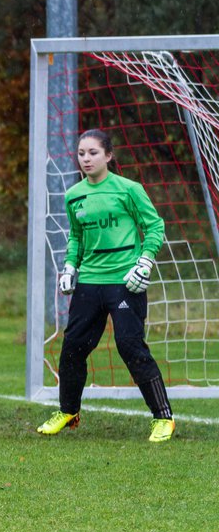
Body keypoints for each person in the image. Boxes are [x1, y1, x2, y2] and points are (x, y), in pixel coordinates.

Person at [38, 128, 176, 442]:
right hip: (89, 282)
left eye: (93, 153)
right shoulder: (74, 195)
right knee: (73, 348)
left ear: (109, 156)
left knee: (130, 346)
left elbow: (154, 225)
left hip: (125, 282)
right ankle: (68, 412)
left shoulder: (129, 189)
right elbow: (76, 236)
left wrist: (145, 260)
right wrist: (70, 265)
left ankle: (163, 418)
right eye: (81, 153)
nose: (86, 159)